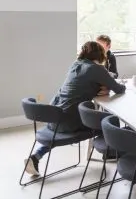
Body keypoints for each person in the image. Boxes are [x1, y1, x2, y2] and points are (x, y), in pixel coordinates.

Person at [23, 41, 126, 176]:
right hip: (70, 122)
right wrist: (107, 87)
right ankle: (111, 153)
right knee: (105, 120)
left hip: (54, 118)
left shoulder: (75, 65)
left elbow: (79, 87)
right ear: (100, 54)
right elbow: (119, 89)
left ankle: (35, 156)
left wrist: (97, 89)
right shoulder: (96, 69)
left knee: (80, 119)